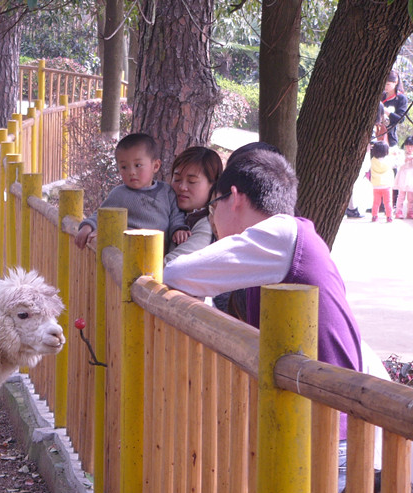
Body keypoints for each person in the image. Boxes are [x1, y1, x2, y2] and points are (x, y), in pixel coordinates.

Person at [163, 149, 363, 441]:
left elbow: (174, 274)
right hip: (320, 422)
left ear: (234, 198)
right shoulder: (290, 238)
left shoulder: (279, 235)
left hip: (326, 435)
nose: (213, 219)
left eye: (213, 207)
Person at [74, 133, 188, 250]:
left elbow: (176, 215)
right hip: (127, 252)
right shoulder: (119, 194)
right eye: (124, 167)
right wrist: (87, 227)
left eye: (138, 165)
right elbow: (100, 215)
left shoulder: (166, 192)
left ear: (155, 166)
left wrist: (179, 229)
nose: (131, 172)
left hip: (158, 254)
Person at [164, 146, 223, 264]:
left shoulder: (209, 224)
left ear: (213, 185)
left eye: (192, 181)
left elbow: (172, 265)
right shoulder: (165, 210)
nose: (182, 187)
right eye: (177, 179)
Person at [382, 70, 408, 148]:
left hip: (389, 137)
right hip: (373, 135)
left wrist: (386, 112)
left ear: (396, 82)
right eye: (384, 84)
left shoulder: (401, 98)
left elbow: (401, 119)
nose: (385, 87)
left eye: (388, 84)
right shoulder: (381, 95)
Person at [370, 141, 394, 222]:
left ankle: (374, 216)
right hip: (386, 185)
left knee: (376, 202)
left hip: (376, 185)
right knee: (387, 202)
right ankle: (389, 216)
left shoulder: (372, 160)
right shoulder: (388, 160)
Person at [394, 136, 413, 219]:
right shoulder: (402, 154)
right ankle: (399, 211)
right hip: (403, 177)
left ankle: (410, 211)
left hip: (411, 178)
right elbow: (398, 163)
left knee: (411, 196)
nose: (409, 148)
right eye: (407, 146)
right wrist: (405, 160)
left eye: (411, 146)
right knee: (401, 195)